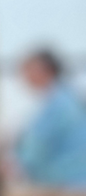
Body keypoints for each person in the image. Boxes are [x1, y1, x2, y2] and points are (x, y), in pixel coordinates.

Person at [14, 49, 86, 188]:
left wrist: (14, 165)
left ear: (47, 70)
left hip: (71, 185)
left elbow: (36, 148)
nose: (24, 75)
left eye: (28, 69)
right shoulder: (66, 97)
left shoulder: (58, 103)